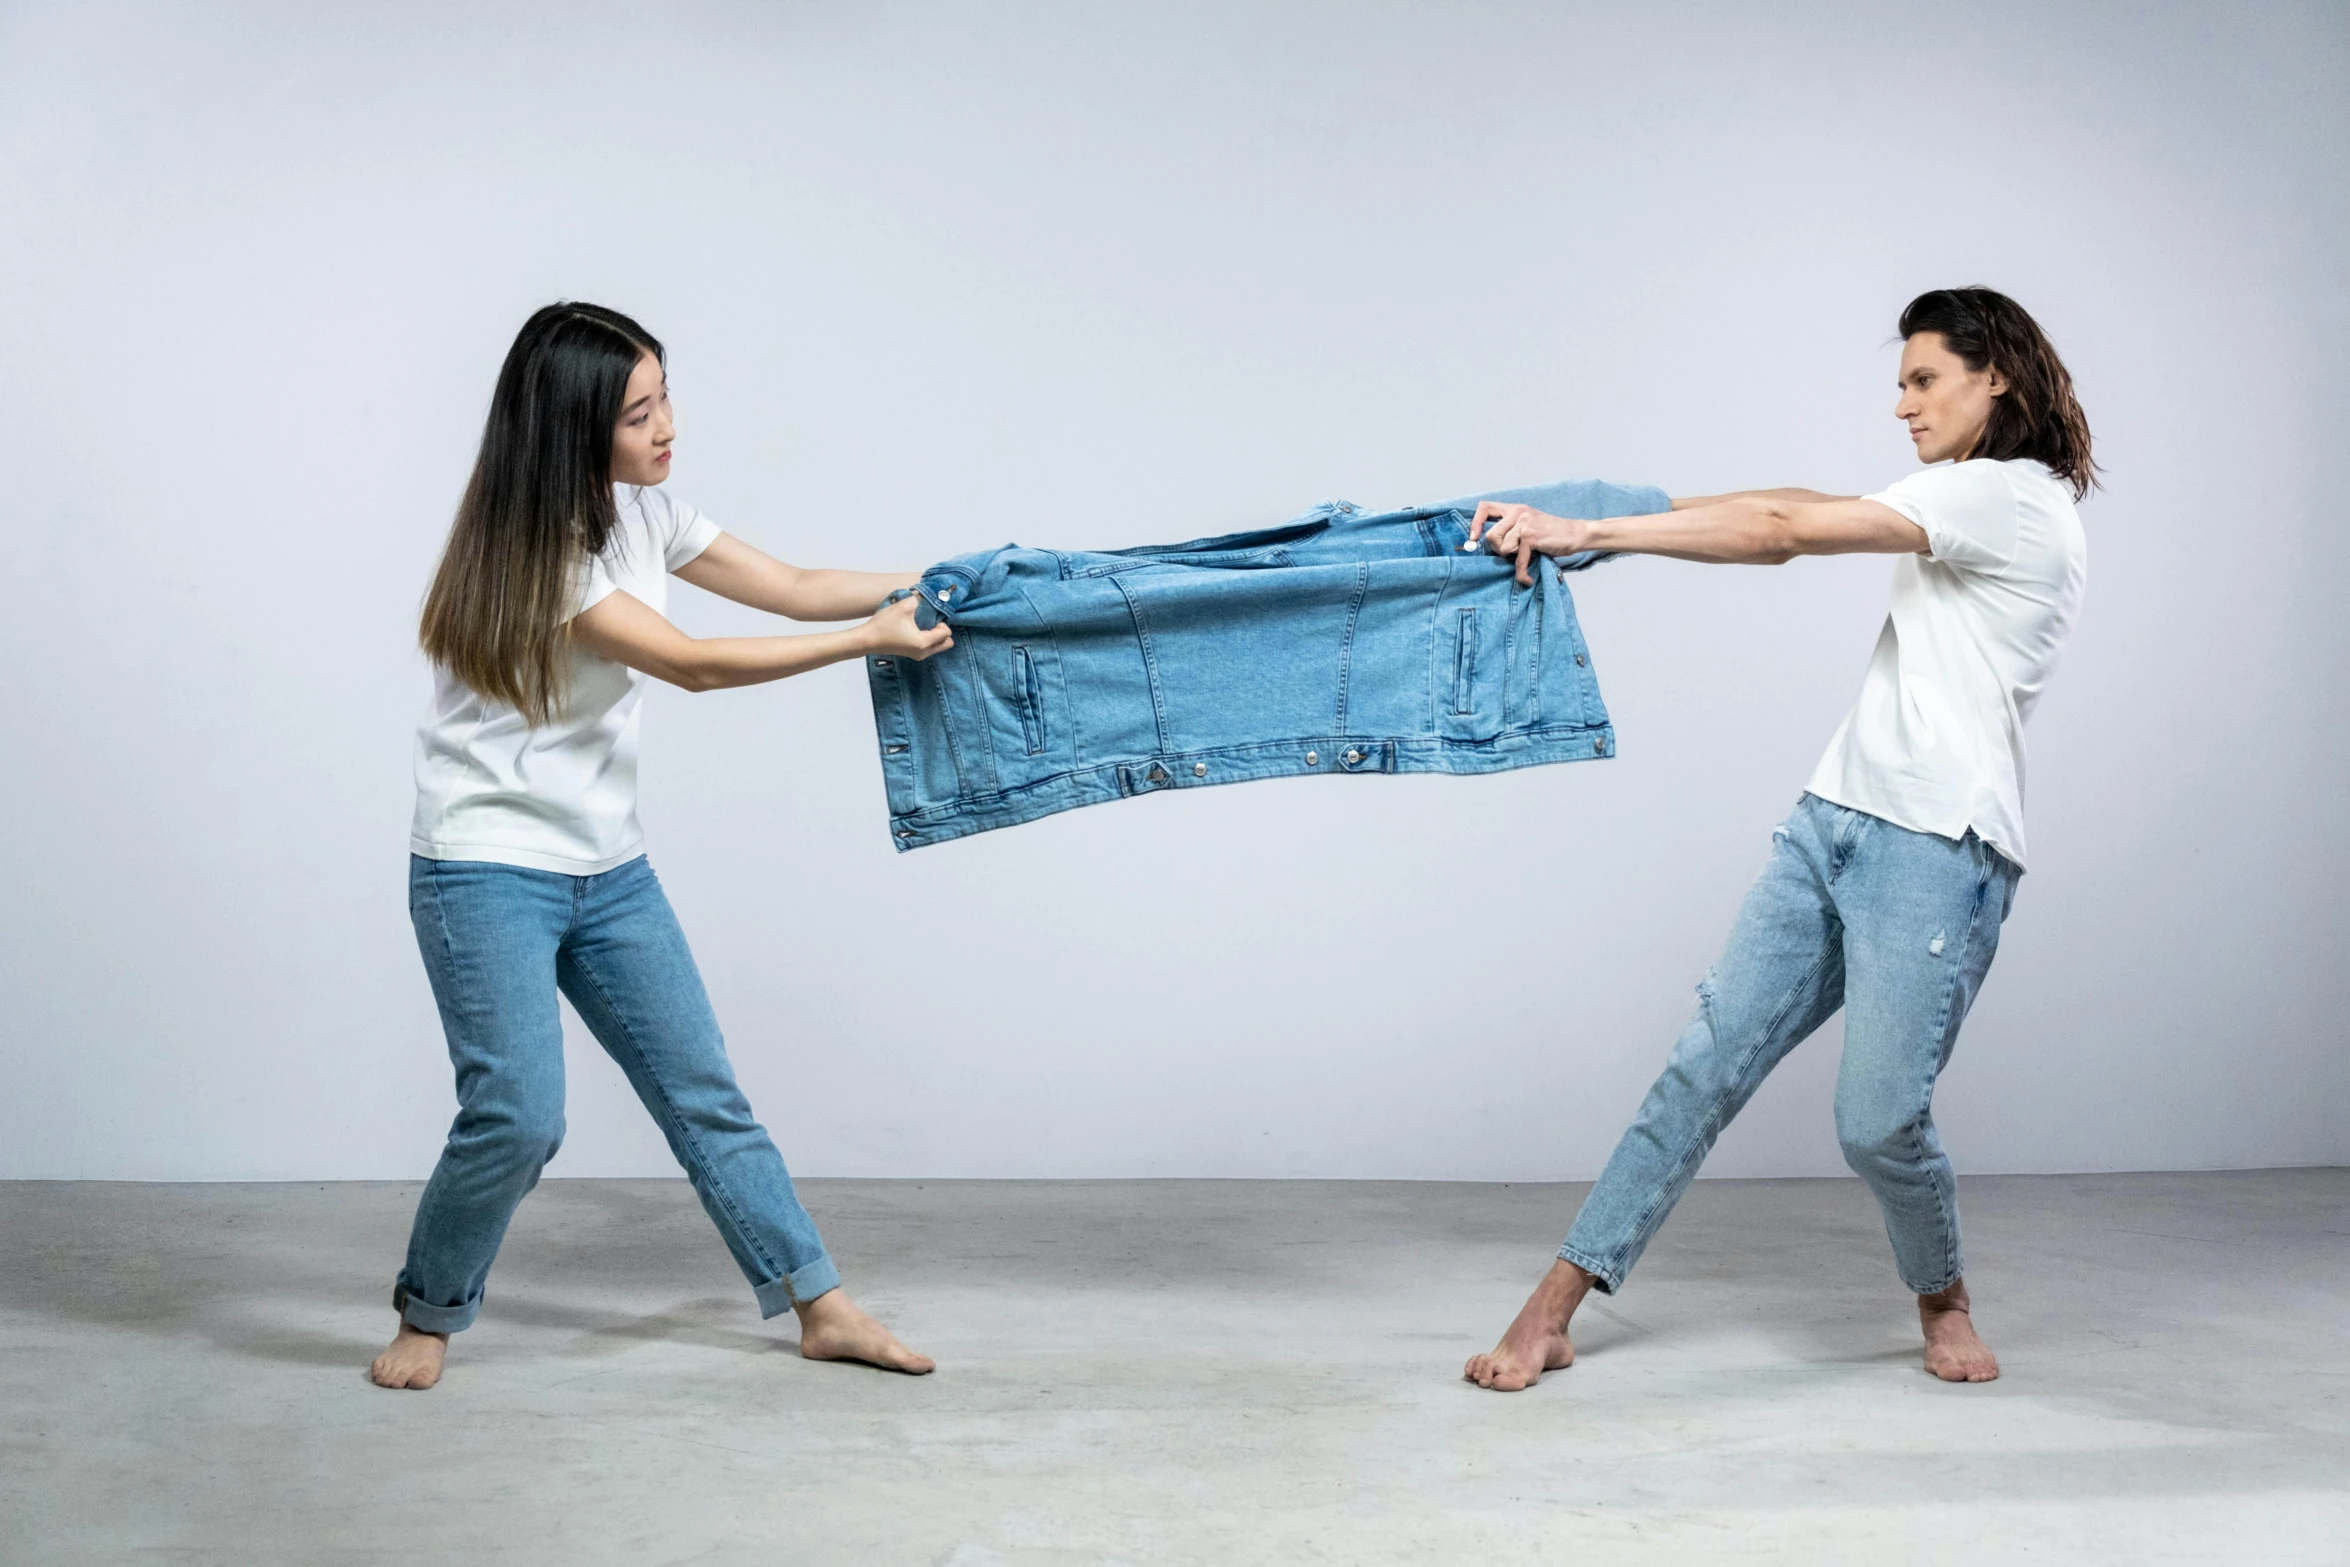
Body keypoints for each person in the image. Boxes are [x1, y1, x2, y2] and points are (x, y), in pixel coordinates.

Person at [1462, 286, 2094, 1390]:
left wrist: (1591, 531)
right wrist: (1603, 525)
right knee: (1701, 1066)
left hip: (1935, 853)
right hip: (1831, 821)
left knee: (1876, 1121)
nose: (1900, 403)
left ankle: (1941, 1296)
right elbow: (1780, 507)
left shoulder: (2015, 502)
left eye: (1921, 378)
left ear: (1994, 375)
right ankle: (1551, 1309)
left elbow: (1783, 532)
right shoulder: (1955, 492)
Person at [371, 302, 952, 1390]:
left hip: (608, 867)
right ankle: (430, 1310)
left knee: (703, 1091)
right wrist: (866, 643)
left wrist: (919, 583)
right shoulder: (545, 554)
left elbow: (784, 586)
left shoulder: (645, 514)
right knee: (520, 1114)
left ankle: (817, 1304)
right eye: (639, 414)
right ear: (573, 431)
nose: (666, 425)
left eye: (664, 395)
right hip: (485, 866)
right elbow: (691, 664)